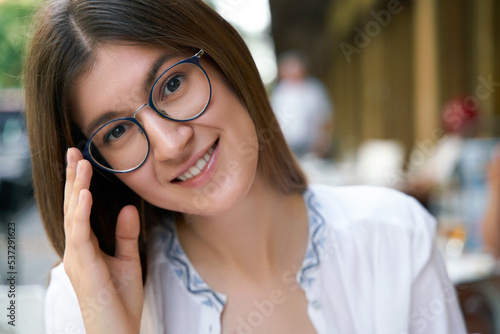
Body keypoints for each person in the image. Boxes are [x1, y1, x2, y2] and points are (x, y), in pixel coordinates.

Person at [24, 0, 466, 333]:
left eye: (172, 84)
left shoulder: (394, 234)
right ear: (95, 166)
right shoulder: (85, 300)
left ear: (224, 58)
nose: (170, 144)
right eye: (116, 132)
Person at [271, 50, 333, 158]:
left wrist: (323, 141)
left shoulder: (314, 89)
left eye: (295, 67)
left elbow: (325, 116)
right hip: (287, 146)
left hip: (312, 146)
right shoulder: (279, 92)